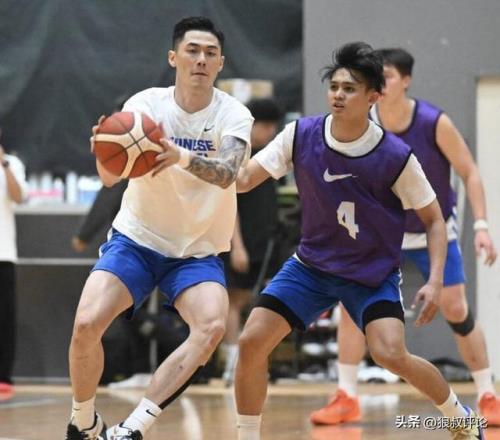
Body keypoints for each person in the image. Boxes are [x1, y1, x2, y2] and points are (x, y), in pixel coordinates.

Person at [234, 42, 485, 440]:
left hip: (369, 274)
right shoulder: (300, 134)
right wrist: (206, 156)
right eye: (334, 86)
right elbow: (244, 180)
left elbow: (435, 220)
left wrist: (436, 280)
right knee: (251, 341)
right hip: (311, 267)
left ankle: (461, 418)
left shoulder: (395, 155)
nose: (338, 94)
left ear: (373, 96)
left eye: (349, 88)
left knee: (391, 354)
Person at [65, 16, 253, 440]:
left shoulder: (234, 114)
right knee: (86, 324)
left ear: (221, 63)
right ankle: (84, 421)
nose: (201, 59)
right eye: (192, 50)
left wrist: (180, 156)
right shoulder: (146, 105)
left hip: (197, 250)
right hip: (138, 239)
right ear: (173, 57)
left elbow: (227, 173)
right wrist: (106, 151)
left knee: (211, 327)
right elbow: (110, 177)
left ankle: (133, 428)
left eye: (210, 53)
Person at [310, 47, 499, 428]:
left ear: (406, 81)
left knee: (455, 307)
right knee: (352, 306)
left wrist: (481, 225)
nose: (382, 82)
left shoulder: (433, 122)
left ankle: (487, 394)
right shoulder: (364, 121)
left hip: (430, 227)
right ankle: (346, 395)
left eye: (390, 75)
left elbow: (469, 171)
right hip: (382, 231)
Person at [220, 98, 282, 386]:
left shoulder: (268, 157)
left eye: (273, 126)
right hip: (239, 242)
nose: (270, 132)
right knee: (233, 300)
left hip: (262, 241)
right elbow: (229, 203)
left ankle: (249, 361)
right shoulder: (239, 153)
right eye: (266, 125)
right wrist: (238, 246)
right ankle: (232, 363)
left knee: (251, 300)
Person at [0, 131, 28, 402]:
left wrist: (4, 163)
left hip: (3, 253)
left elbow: (19, 196)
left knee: (5, 319)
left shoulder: (12, 163)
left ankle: (4, 377)